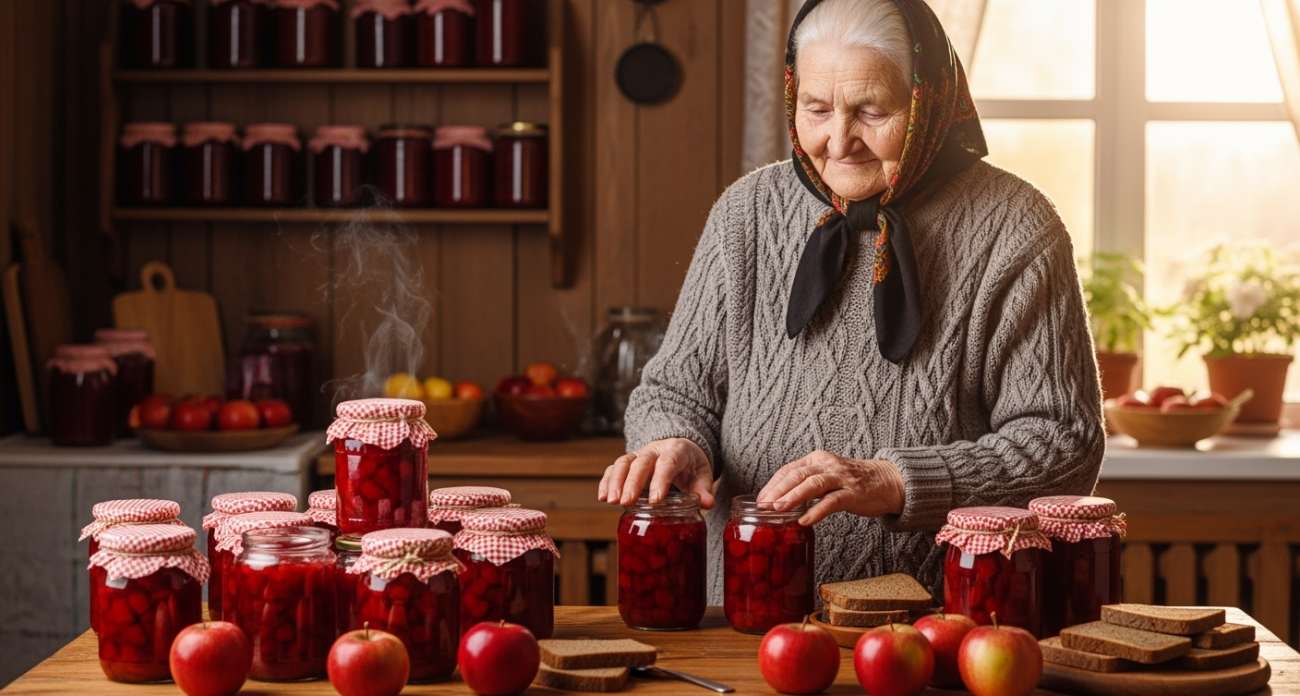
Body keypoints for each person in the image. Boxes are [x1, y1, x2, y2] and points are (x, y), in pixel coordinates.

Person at [597, 0, 1105, 602]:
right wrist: (672, 439)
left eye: (871, 110)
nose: (840, 140)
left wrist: (896, 480)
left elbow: (1064, 442)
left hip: (943, 623)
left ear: (928, 100)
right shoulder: (747, 213)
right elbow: (675, 390)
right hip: (741, 613)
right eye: (815, 108)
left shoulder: (1016, 228)